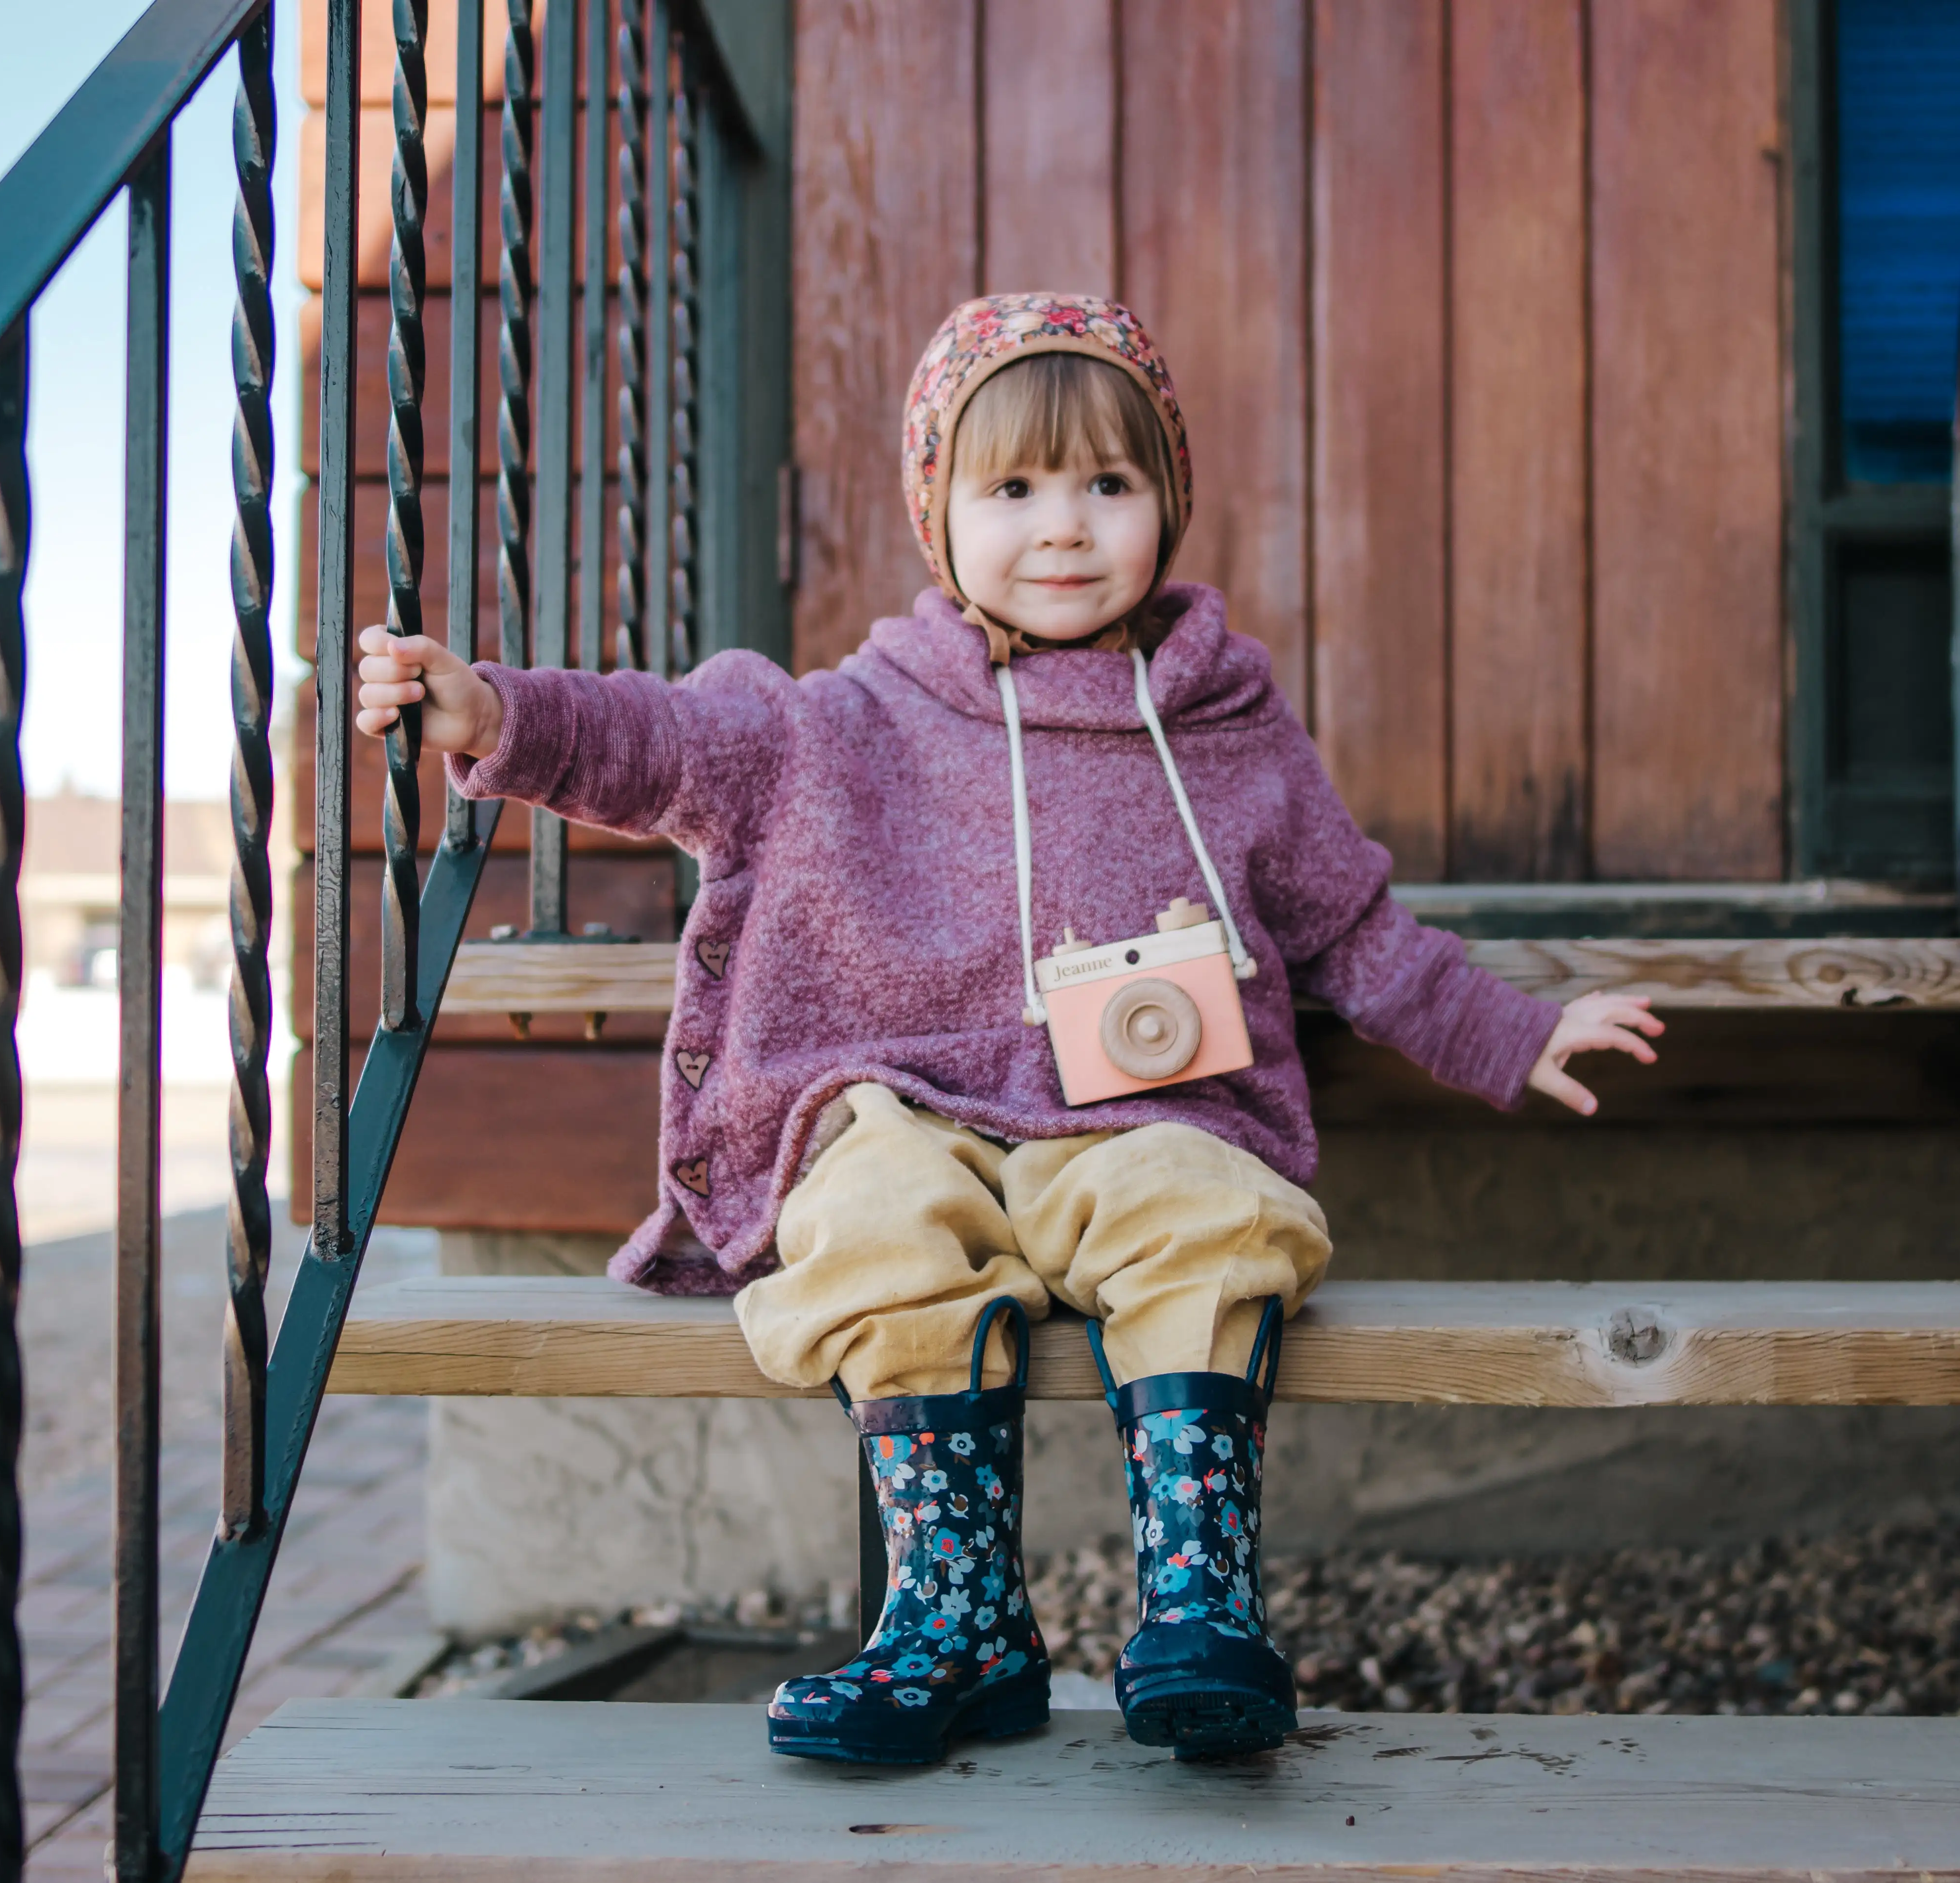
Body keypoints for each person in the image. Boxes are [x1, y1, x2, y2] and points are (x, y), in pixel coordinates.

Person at [353, 293, 1660, 1766]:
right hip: (917, 1112)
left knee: (1212, 1207)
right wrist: (494, 716)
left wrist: (1511, 1030)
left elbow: (1352, 930)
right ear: (938, 512)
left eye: (1110, 485)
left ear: (1168, 501)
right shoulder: (851, 721)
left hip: (1141, 1124)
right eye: (1014, 487)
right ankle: (959, 1613)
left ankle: (1200, 1598)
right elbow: (668, 741)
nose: (1064, 527)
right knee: (862, 1208)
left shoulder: (1227, 726)